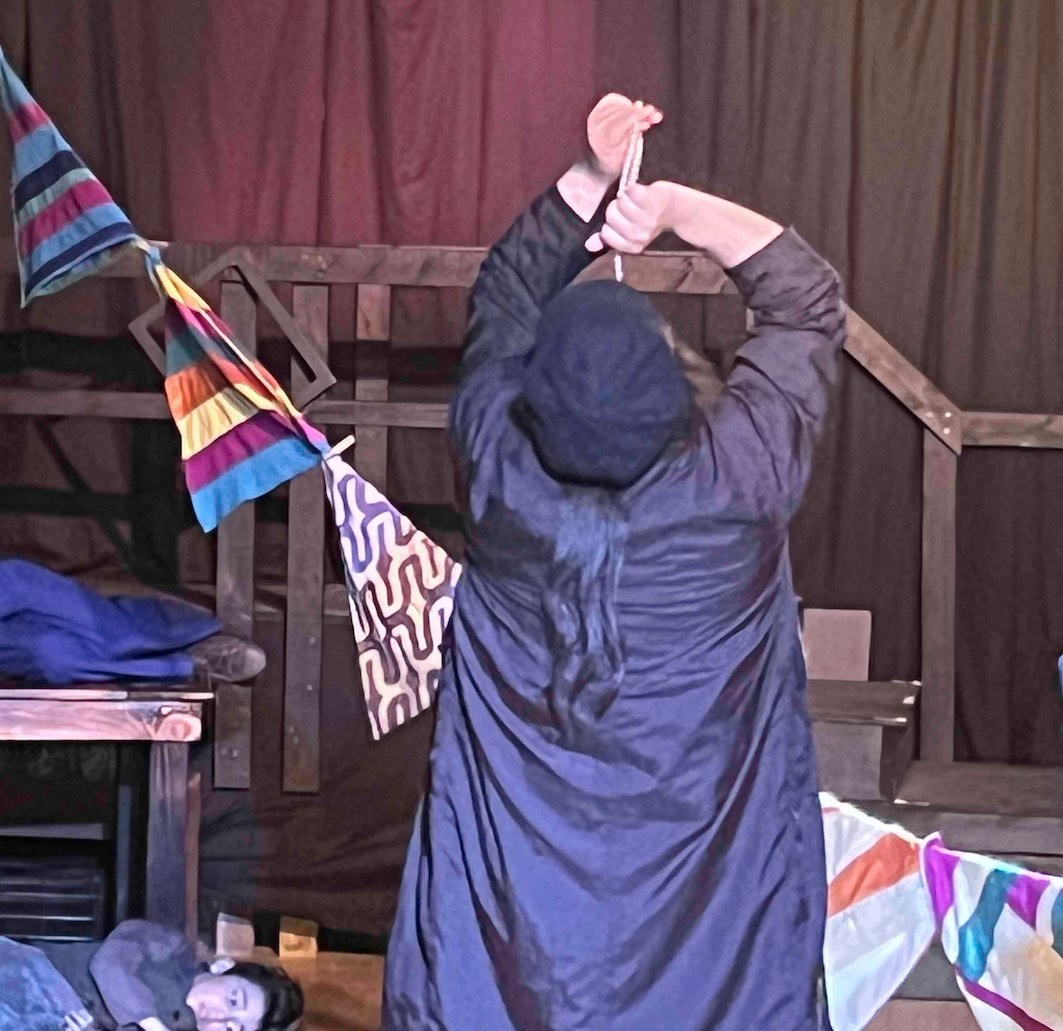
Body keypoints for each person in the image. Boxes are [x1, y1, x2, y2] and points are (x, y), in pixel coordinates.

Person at [383, 93, 846, 1030]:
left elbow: (504, 298)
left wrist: (588, 180)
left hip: (512, 928)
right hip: (710, 931)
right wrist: (673, 209)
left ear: (531, 400)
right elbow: (803, 303)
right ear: (679, 399)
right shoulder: (736, 483)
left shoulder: (499, 472)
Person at [0, 918, 303, 1030]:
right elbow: (110, 963)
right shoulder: (173, 949)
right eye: (233, 1001)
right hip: (32, 978)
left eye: (232, 1029)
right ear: (223, 967)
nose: (218, 1018)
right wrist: (151, 1024)